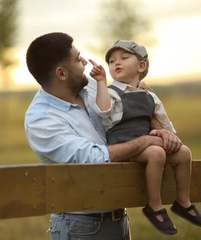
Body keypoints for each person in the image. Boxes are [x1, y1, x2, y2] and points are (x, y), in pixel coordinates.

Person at [24, 32, 183, 240]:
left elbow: (129, 110)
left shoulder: (90, 85)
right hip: (80, 227)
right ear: (61, 74)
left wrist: (157, 128)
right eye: (77, 58)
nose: (84, 61)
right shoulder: (41, 121)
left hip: (119, 218)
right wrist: (145, 141)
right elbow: (93, 158)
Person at [89, 39, 201, 235]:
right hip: (124, 144)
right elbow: (104, 110)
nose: (117, 63)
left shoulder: (150, 96)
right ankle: (154, 206)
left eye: (124, 58)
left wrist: (167, 135)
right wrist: (100, 81)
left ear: (141, 66)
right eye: (112, 61)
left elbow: (166, 125)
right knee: (157, 153)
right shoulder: (111, 93)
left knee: (183, 153)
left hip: (148, 144)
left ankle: (183, 201)